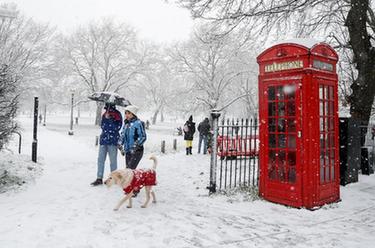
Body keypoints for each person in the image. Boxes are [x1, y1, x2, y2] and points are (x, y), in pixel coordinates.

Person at [91, 103, 123, 186]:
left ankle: (114, 178)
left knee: (113, 161)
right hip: (103, 140)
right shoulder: (105, 114)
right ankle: (99, 178)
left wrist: (110, 120)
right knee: (100, 160)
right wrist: (106, 118)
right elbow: (102, 126)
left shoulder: (117, 115)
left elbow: (117, 128)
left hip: (112, 141)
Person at [120, 105, 147, 170]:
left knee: (129, 170)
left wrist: (135, 145)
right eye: (125, 113)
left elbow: (143, 136)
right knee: (128, 171)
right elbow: (123, 135)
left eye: (129, 113)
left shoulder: (138, 123)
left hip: (137, 151)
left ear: (133, 114)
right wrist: (120, 144)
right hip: (128, 151)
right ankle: (133, 180)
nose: (126, 115)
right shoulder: (126, 124)